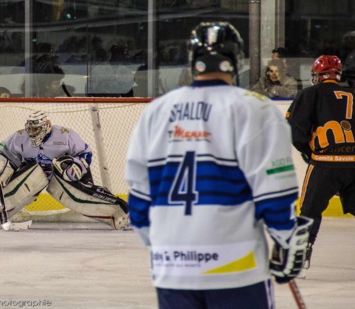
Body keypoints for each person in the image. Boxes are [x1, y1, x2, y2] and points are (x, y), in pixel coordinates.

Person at [125, 22, 311, 308]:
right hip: (236, 267)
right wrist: (287, 240)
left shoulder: (157, 111)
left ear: (193, 60)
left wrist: (163, 248)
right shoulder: (256, 108)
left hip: (171, 269)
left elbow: (138, 198)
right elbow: (274, 191)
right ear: (236, 61)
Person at [286, 55, 355, 278]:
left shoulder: (309, 93)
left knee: (309, 210)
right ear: (338, 75)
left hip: (328, 161)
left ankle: (299, 260)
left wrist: (310, 153)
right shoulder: (354, 96)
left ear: (317, 76)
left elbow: (294, 131)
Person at [0, 110, 129, 230]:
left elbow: (85, 153)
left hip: (64, 176)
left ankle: (119, 212)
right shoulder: (19, 137)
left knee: (80, 196)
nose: (32, 133)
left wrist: (77, 166)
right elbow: (5, 153)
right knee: (17, 188)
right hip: (35, 176)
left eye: (36, 129)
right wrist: (1, 167)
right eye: (30, 129)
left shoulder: (64, 134)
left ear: (46, 126)